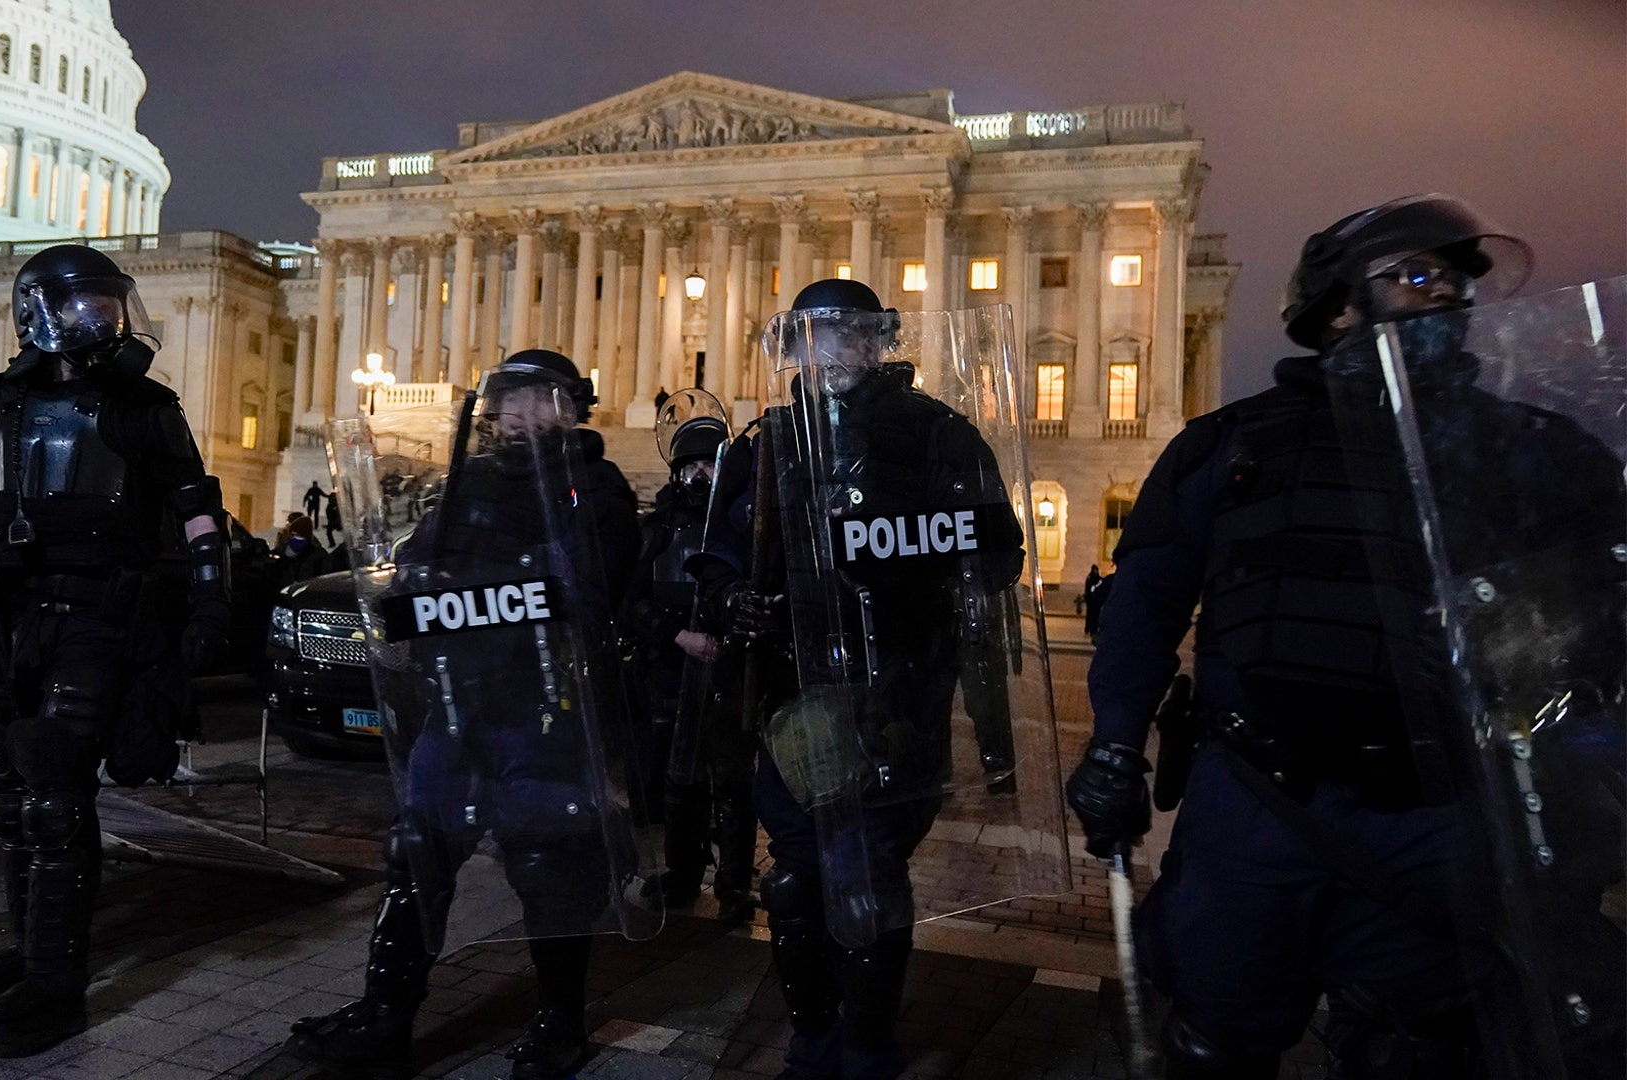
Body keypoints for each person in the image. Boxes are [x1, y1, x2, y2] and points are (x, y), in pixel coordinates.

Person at [1065, 194, 1623, 1077]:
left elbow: (1605, 613)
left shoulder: (1526, 449)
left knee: (1421, 1047)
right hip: (1254, 798)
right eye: (1413, 277)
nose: (1445, 296)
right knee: (1212, 1038)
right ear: (1336, 308)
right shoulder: (1232, 443)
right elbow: (1145, 606)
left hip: (1437, 809)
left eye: (1453, 282)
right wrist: (1113, 746)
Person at [0, 244, 230, 1048]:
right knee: (11, 798)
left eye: (108, 300)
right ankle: (28, 951)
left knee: (58, 790)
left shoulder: (144, 406)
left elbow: (198, 507)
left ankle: (58, 985)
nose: (101, 316)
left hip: (99, 615)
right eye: (82, 303)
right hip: (14, 617)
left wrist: (210, 604)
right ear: (38, 311)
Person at [693, 279, 1027, 1079]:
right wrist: (731, 599)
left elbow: (996, 551)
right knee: (798, 881)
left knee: (869, 877)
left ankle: (870, 1048)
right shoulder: (764, 442)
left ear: (879, 342)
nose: (833, 350)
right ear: (795, 349)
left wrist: (921, 574)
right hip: (790, 699)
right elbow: (712, 561)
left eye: (850, 334)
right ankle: (813, 1040)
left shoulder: (936, 434)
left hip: (895, 697)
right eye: (815, 335)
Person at [286, 348, 643, 1080]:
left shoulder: (593, 485)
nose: (520, 414)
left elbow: (588, 588)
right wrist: (400, 598)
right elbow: (416, 568)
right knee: (414, 856)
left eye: (538, 401)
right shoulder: (466, 484)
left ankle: (558, 1021)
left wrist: (483, 593)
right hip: (458, 706)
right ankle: (386, 1013)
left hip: (543, 711)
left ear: (572, 409)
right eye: (508, 401)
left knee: (548, 866)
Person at [620, 404, 757, 922]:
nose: (700, 475)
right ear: (677, 470)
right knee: (680, 780)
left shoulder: (745, 528)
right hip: (673, 670)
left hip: (729, 670)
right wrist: (678, 635)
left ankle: (735, 884)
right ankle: (681, 874)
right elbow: (630, 601)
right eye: (691, 466)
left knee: (734, 779)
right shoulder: (656, 530)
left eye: (710, 465)